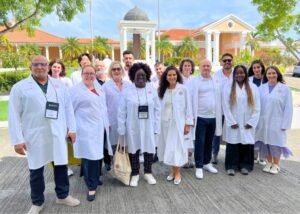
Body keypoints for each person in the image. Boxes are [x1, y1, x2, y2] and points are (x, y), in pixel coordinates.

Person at [8, 56, 80, 214]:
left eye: (43, 64)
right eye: (36, 64)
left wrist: (72, 129)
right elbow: (13, 115)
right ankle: (37, 201)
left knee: (61, 165)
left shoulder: (59, 85)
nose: (40, 67)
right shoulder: (19, 88)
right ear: (30, 67)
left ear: (48, 67)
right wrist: (17, 140)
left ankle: (62, 195)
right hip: (35, 135)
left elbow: (68, 108)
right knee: (36, 169)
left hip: (58, 133)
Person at [70, 65, 112, 201]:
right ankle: (91, 187)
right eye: (86, 73)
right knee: (91, 158)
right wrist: (70, 129)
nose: (89, 76)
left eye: (92, 73)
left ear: (95, 75)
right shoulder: (75, 91)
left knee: (96, 156)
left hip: (99, 129)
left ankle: (92, 179)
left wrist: (107, 124)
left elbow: (103, 107)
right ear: (81, 74)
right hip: (85, 130)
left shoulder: (98, 87)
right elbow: (70, 111)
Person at [118, 63, 161, 187]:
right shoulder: (127, 91)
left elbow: (158, 109)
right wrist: (121, 128)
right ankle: (135, 174)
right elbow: (121, 111)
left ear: (147, 76)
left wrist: (157, 126)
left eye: (143, 75)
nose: (141, 77)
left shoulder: (151, 90)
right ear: (133, 76)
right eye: (138, 75)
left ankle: (148, 172)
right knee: (133, 149)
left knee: (149, 149)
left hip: (149, 125)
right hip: (133, 126)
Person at [157, 66, 193, 185]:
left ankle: (177, 172)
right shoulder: (163, 90)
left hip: (178, 123)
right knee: (169, 148)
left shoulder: (183, 89)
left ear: (177, 75)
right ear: (165, 77)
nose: (172, 77)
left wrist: (188, 124)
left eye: (174, 74)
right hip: (165, 123)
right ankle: (172, 171)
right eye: (169, 75)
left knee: (176, 148)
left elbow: (189, 107)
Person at [222, 65, 260, 176]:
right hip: (233, 122)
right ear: (234, 75)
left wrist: (252, 122)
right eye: (237, 73)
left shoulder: (253, 87)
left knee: (246, 144)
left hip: (247, 122)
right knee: (233, 144)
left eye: (242, 73)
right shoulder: (228, 87)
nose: (240, 75)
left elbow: (257, 107)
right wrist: (231, 121)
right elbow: (225, 105)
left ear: (246, 74)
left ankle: (245, 166)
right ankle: (231, 166)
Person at [188, 59, 222, 179]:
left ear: (211, 67)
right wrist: (190, 117)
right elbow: (190, 99)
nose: (206, 68)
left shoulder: (216, 80)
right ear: (200, 67)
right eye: (204, 66)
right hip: (200, 117)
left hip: (213, 117)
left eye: (208, 66)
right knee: (199, 142)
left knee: (209, 141)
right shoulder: (194, 81)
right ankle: (199, 166)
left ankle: (207, 162)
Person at [255, 66, 293, 174]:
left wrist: (285, 124)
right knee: (265, 142)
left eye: (273, 73)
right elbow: (257, 105)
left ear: (278, 74)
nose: (271, 75)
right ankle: (269, 162)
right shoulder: (261, 88)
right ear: (266, 75)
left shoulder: (284, 89)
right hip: (263, 120)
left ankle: (276, 165)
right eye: (269, 73)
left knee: (275, 143)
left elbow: (288, 107)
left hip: (277, 121)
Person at [102, 62, 131, 169]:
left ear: (122, 71)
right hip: (112, 121)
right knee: (114, 145)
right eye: (114, 69)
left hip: (127, 120)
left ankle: (126, 167)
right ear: (110, 72)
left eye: (118, 69)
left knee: (126, 145)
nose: (116, 71)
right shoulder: (105, 86)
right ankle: (117, 167)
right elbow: (103, 106)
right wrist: (106, 123)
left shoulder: (129, 85)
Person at [48, 59, 75, 176]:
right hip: (50, 116)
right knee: (53, 144)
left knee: (64, 143)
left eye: (59, 67)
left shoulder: (66, 81)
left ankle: (66, 166)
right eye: (54, 66)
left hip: (64, 116)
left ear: (62, 69)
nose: (56, 69)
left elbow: (70, 98)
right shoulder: (46, 81)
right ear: (50, 67)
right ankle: (57, 167)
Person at [212, 53, 234, 164]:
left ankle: (231, 156)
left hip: (233, 110)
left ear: (232, 61)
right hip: (219, 109)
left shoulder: (237, 74)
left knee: (232, 133)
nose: (227, 63)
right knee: (216, 133)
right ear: (221, 62)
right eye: (224, 61)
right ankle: (214, 154)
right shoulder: (216, 76)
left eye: (229, 60)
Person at [248, 59, 266, 165]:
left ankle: (263, 156)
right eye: (254, 68)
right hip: (252, 111)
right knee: (254, 133)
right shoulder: (249, 80)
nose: (256, 70)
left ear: (262, 68)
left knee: (263, 133)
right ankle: (254, 155)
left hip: (264, 111)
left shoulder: (267, 79)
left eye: (258, 67)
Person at [179, 58, 195, 168]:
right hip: (182, 113)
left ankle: (190, 158)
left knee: (192, 137)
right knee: (183, 136)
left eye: (189, 65)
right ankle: (183, 159)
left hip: (194, 112)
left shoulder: (195, 80)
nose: (187, 67)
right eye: (185, 65)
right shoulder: (178, 80)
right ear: (181, 67)